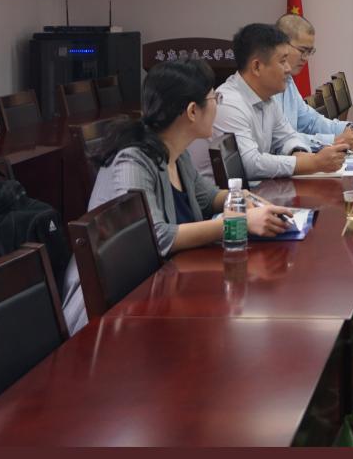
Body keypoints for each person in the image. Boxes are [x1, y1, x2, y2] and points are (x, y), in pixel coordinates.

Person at [60, 59, 294, 334]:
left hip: (160, 290)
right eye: (215, 98)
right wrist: (238, 222)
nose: (218, 105)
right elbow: (156, 236)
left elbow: (207, 197)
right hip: (116, 315)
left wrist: (244, 199)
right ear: (193, 111)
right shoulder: (133, 160)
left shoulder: (176, 152)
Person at [212, 23, 347, 180]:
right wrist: (313, 163)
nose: (288, 68)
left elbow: (287, 137)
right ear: (257, 67)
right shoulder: (228, 103)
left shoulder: (267, 98)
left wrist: (299, 153)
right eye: (282, 61)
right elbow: (249, 164)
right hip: (226, 194)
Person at [274, 13, 353, 150]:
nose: (306, 58)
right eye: (302, 50)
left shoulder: (288, 81)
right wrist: (334, 140)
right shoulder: (265, 86)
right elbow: (281, 139)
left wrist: (347, 129)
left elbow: (311, 121)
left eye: (310, 52)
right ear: (281, 45)